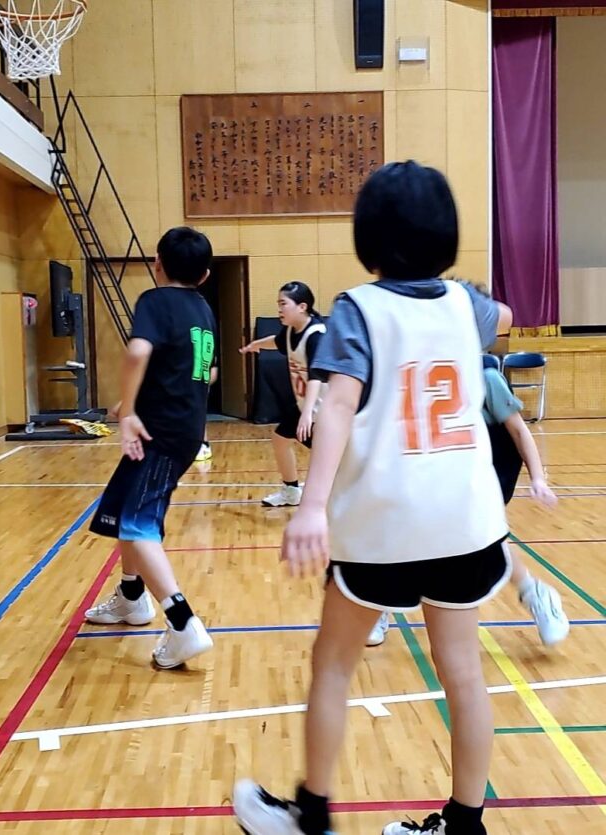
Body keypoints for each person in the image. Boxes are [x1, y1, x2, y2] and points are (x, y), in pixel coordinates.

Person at [233, 161, 513, 835]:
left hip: (385, 520)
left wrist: (311, 505)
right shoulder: (463, 305)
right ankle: (464, 825)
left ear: (369, 236)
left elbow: (336, 406)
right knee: (464, 673)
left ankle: (311, 815)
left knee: (333, 663)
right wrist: (476, 301)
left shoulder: (359, 308)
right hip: (465, 519)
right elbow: (503, 314)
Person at [367, 356, 570, 649]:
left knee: (481, 540)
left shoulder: (486, 378)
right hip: (433, 464)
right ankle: (380, 605)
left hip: (483, 467)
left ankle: (537, 595)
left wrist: (538, 477)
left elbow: (518, 430)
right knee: (406, 531)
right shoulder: (408, 375)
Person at [85, 227, 216, 669]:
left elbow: (138, 352)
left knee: (139, 525)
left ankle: (182, 624)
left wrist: (128, 413)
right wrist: (135, 401)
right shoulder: (203, 309)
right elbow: (195, 369)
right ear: (205, 275)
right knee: (124, 510)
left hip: (160, 434)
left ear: (157, 263)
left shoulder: (155, 301)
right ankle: (131, 596)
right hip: (182, 427)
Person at [239, 282, 326, 507]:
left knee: (331, 458)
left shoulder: (316, 335)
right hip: (306, 405)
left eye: (283, 304)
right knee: (280, 440)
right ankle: (291, 491)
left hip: (324, 408)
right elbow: (276, 342)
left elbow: (316, 376)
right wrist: (255, 345)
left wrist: (307, 414)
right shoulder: (290, 331)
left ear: (302, 307)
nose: (279, 309)